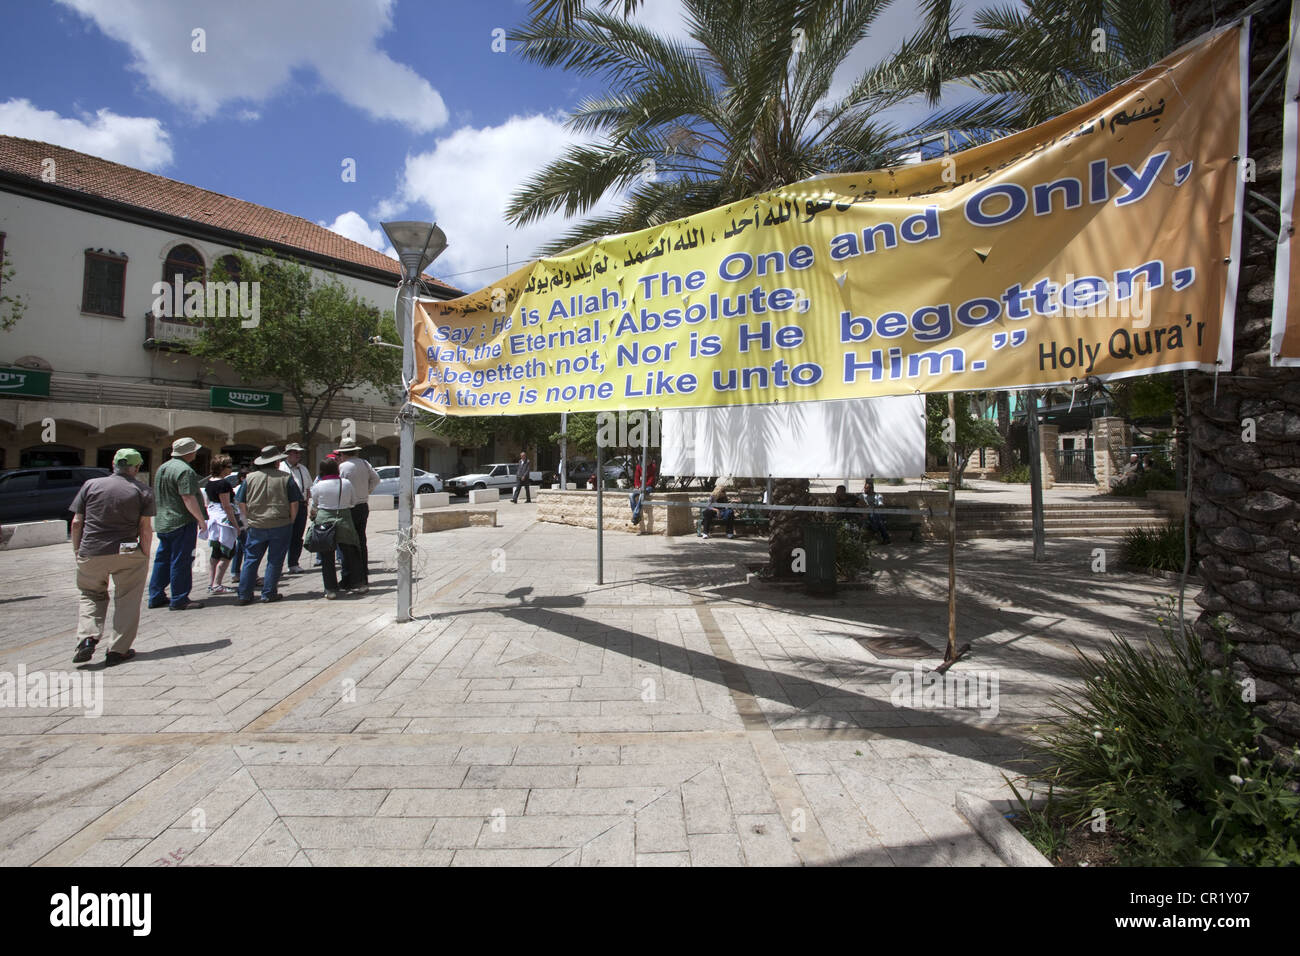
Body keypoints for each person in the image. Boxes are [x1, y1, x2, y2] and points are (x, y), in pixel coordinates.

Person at [71, 449, 156, 666]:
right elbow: (145, 529)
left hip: (91, 549)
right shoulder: (142, 490)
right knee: (127, 599)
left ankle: (88, 638)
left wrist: (78, 550)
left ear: (113, 464)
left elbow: (77, 522)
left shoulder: (90, 485)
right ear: (137, 468)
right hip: (126, 549)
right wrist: (144, 554)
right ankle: (118, 650)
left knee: (91, 594)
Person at [235, 445, 302, 605]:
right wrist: (291, 519)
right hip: (280, 522)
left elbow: (241, 501)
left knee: (251, 559)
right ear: (277, 462)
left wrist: (248, 517)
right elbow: (294, 502)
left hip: (256, 523)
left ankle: (244, 594)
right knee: (275, 559)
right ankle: (269, 592)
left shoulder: (250, 478)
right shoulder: (285, 478)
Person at [148, 436, 208, 611]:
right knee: (181, 561)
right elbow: (188, 497)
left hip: (163, 521)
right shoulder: (185, 470)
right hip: (181, 521)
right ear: (189, 452)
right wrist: (201, 519)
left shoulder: (163, 468)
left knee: (162, 560)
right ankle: (180, 598)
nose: (196, 453)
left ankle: (156, 595)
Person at [307, 458, 367, 599]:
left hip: (323, 520)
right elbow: (353, 501)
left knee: (327, 557)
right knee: (350, 553)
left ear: (321, 471)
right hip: (344, 518)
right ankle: (358, 583)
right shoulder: (345, 483)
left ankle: (330, 589)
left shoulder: (318, 486)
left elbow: (315, 503)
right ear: (337, 469)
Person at [336, 443, 380, 585]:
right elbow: (376, 479)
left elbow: (340, 486)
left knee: (347, 542)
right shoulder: (365, 464)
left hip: (349, 507)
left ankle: (349, 576)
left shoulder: (343, 467)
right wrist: (366, 491)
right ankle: (363, 572)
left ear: (343, 453)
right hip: (362, 505)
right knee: (361, 540)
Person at [203, 456, 240, 594]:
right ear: (222, 468)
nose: (231, 468)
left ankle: (211, 583)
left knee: (215, 552)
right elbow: (227, 506)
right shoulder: (223, 484)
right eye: (229, 466)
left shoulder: (209, 483)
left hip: (214, 520)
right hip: (223, 521)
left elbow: (207, 503)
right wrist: (236, 525)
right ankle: (217, 583)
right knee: (228, 552)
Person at [279, 442, 312, 575]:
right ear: (288, 454)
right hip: (286, 506)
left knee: (297, 536)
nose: (298, 455)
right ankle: (278, 564)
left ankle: (293, 563)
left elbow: (309, 487)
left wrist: (306, 501)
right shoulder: (281, 468)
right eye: (295, 452)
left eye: (299, 453)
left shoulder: (303, 468)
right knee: (283, 536)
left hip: (301, 505)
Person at [228, 466, 250, 585]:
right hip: (241, 519)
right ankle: (247, 574)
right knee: (246, 546)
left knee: (240, 547)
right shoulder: (239, 490)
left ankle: (235, 572)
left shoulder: (241, 489)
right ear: (242, 478)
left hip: (240, 519)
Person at [861, 478, 891, 544]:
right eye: (864, 488)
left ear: (871, 489)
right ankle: (884, 537)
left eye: (866, 488)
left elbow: (881, 505)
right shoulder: (862, 496)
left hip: (877, 515)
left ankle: (876, 533)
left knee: (875, 516)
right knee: (879, 522)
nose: (865, 490)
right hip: (865, 516)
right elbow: (857, 503)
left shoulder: (878, 496)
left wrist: (874, 507)